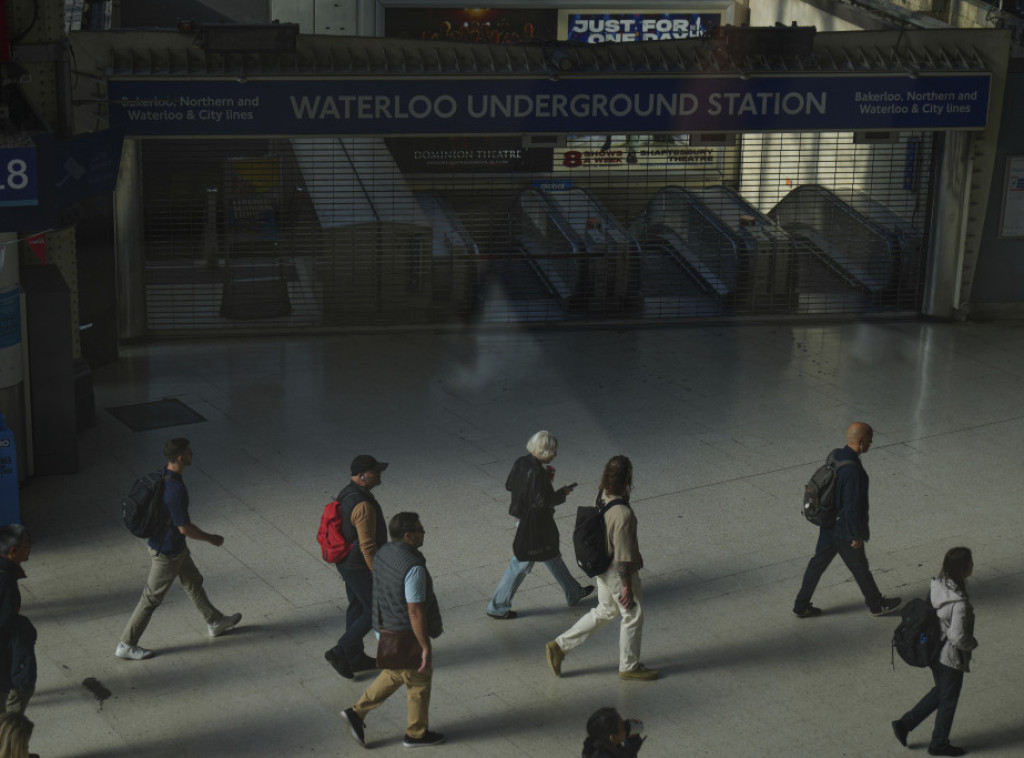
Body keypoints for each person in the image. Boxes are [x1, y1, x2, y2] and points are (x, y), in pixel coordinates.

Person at [115, 438, 241, 660]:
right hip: (167, 553)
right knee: (151, 599)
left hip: (172, 547)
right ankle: (126, 644)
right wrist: (211, 538)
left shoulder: (164, 476)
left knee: (193, 581)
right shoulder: (175, 490)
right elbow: (184, 528)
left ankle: (215, 621)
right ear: (182, 457)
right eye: (190, 452)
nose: (193, 454)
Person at [546, 455, 657, 681]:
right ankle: (629, 666)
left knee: (605, 610)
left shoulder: (603, 494)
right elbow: (624, 557)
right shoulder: (623, 513)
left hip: (602, 567)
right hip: (618, 571)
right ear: (628, 479)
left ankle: (559, 646)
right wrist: (626, 587)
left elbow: (621, 540)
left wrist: (636, 553)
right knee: (633, 615)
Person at [341, 512, 445, 748]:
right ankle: (416, 734)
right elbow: (415, 611)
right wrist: (425, 646)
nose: (424, 533)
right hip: (405, 635)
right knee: (419, 680)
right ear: (408, 535)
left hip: (384, 628)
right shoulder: (413, 567)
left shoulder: (383, 552)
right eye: (420, 529)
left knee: (397, 672)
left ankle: (356, 713)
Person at [792, 422, 902, 618]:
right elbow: (852, 507)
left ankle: (801, 605)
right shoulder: (853, 471)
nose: (871, 443)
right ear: (861, 441)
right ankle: (876, 605)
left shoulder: (835, 455)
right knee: (860, 567)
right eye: (869, 440)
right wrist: (856, 535)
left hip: (828, 522)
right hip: (843, 528)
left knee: (817, 563)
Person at [486, 431, 593, 620]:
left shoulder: (521, 462)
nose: (555, 455)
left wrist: (543, 483)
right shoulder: (536, 472)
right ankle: (497, 606)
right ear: (544, 451)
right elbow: (543, 502)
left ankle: (573, 591)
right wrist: (562, 492)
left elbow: (510, 485)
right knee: (520, 564)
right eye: (553, 451)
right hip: (533, 525)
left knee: (552, 556)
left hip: (525, 519)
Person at [891, 547, 978, 757]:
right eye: (970, 562)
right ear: (964, 568)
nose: (973, 565)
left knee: (941, 691)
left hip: (932, 650)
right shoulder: (959, 603)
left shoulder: (938, 585)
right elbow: (958, 637)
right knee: (949, 699)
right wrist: (972, 644)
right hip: (949, 657)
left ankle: (905, 724)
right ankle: (938, 744)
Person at [325, 455, 389, 679]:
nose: (379, 474)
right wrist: (377, 571)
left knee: (357, 606)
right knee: (375, 610)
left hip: (346, 563)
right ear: (362, 476)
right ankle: (340, 651)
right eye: (375, 471)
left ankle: (355, 658)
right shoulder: (362, 504)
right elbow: (367, 545)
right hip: (360, 566)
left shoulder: (347, 492)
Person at [0, 526, 35, 714]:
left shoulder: (7, 574)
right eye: (27, 545)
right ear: (13, 551)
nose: (30, 549)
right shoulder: (4, 581)